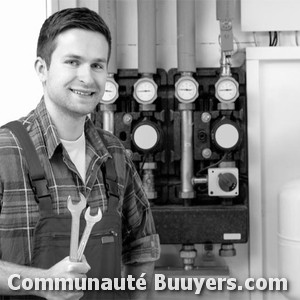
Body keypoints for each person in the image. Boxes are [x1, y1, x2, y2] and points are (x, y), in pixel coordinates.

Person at [0, 7, 160, 300]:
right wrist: (41, 281)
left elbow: (142, 251)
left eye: (97, 65)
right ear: (42, 69)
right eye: (73, 62)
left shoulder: (115, 155)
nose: (87, 77)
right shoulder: (5, 153)